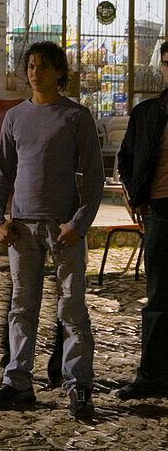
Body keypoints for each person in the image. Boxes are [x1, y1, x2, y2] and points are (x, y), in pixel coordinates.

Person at [0, 41, 101, 419]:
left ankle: (78, 384)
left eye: (43, 66)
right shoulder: (15, 117)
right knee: (22, 307)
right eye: (30, 65)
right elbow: (3, 171)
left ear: (59, 72)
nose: (34, 72)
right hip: (22, 228)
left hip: (62, 228)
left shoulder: (75, 116)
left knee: (72, 308)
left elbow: (95, 177)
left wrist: (79, 224)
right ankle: (17, 381)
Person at [115, 41, 168, 400]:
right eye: (167, 63)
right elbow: (128, 157)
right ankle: (151, 374)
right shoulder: (147, 112)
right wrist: (136, 197)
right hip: (161, 210)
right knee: (159, 294)